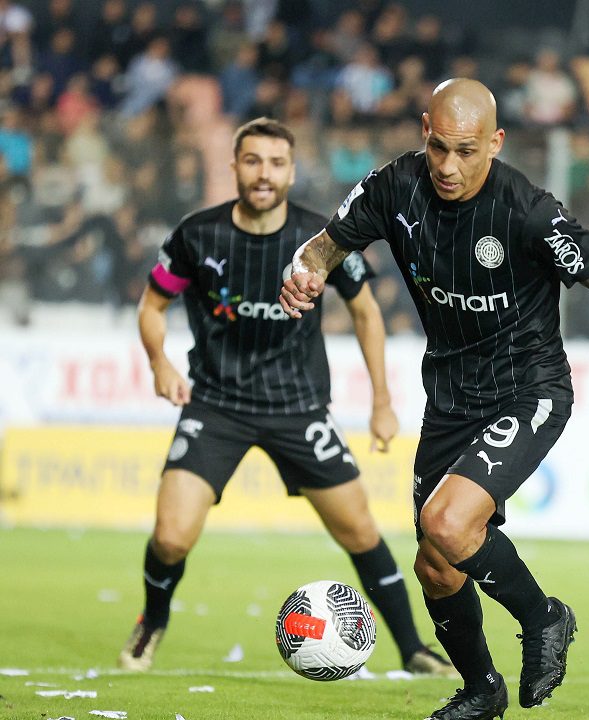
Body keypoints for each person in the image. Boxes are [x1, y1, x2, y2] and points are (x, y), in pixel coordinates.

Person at [278, 78, 589, 720]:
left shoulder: (529, 213)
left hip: (527, 390)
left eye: (466, 151)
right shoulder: (393, 187)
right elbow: (325, 247)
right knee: (435, 566)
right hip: (449, 398)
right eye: (439, 147)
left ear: (495, 142)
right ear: (424, 131)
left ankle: (544, 617)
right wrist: (303, 272)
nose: (448, 165)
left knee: (448, 524)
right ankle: (481, 690)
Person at [119, 117, 455, 679]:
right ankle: (152, 621)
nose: (264, 174)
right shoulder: (196, 236)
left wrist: (381, 399)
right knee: (171, 537)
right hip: (216, 406)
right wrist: (159, 362)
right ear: (235, 166)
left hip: (298, 408)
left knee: (360, 531)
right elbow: (152, 305)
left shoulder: (323, 238)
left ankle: (412, 648)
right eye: (253, 161)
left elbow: (366, 311)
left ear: (292, 171)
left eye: (276, 163)